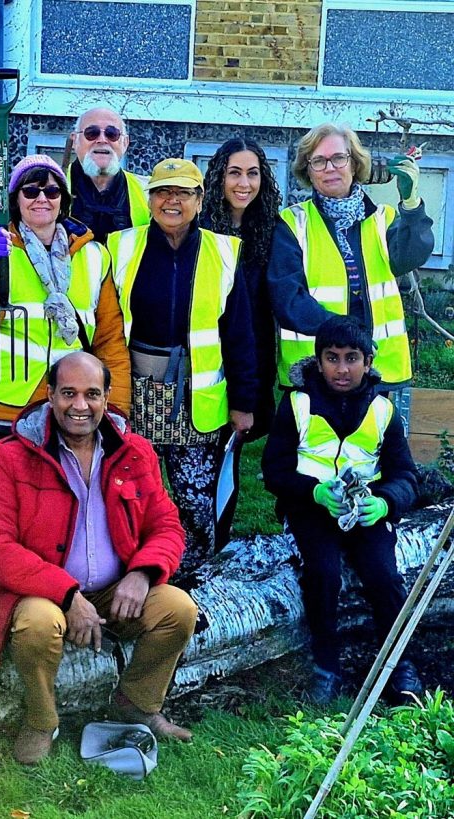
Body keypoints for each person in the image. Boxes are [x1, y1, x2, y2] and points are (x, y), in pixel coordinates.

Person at [0, 352, 196, 766]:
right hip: (40, 590)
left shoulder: (135, 451)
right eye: (68, 393)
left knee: (178, 609)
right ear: (50, 396)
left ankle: (138, 704)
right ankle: (41, 720)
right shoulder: (11, 455)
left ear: (107, 397)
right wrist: (68, 595)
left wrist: (143, 573)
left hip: (113, 590)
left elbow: (167, 526)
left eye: (92, 394)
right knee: (38, 624)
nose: (80, 406)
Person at [107, 158, 257, 576]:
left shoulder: (223, 252)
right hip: (135, 395)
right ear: (149, 198)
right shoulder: (120, 247)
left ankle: (197, 573)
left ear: (200, 199)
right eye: (162, 191)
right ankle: (133, 570)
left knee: (195, 496)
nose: (171, 201)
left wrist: (244, 402)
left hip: (196, 399)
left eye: (183, 193)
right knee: (133, 491)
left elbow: (240, 335)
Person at [262, 315, 423, 706]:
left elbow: (406, 476)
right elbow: (274, 471)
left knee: (384, 575)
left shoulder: (384, 409)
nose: (342, 368)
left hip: (365, 508)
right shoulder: (296, 404)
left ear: (368, 362)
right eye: (332, 358)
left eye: (352, 358)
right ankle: (326, 665)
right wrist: (314, 493)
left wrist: (383, 503)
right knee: (323, 573)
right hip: (310, 506)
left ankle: (399, 664)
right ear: (318, 362)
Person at [0, 154, 130, 455]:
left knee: (60, 496)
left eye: (51, 191)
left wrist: (116, 407)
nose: (41, 199)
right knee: (9, 497)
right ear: (16, 199)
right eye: (30, 191)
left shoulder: (94, 256)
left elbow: (109, 338)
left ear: (63, 200)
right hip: (4, 402)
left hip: (69, 405)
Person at [268, 123, 433, 395]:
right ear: (307, 170)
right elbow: (287, 299)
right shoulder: (292, 223)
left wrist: (411, 202)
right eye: (318, 161)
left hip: (377, 372)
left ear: (354, 164)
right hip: (315, 371)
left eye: (338, 158)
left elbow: (413, 254)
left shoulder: (383, 218)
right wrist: (344, 336)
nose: (330, 168)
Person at [199, 138, 283, 548]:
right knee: (206, 462)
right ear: (219, 178)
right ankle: (204, 540)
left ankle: (220, 537)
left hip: (255, 360)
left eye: (252, 173)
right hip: (208, 360)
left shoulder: (271, 232)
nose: (244, 183)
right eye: (235, 172)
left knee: (231, 457)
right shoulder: (202, 231)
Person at [67, 107, 150, 243]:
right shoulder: (48, 190)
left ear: (125, 143)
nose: (102, 140)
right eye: (91, 133)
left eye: (112, 134)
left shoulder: (149, 191)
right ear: (75, 140)